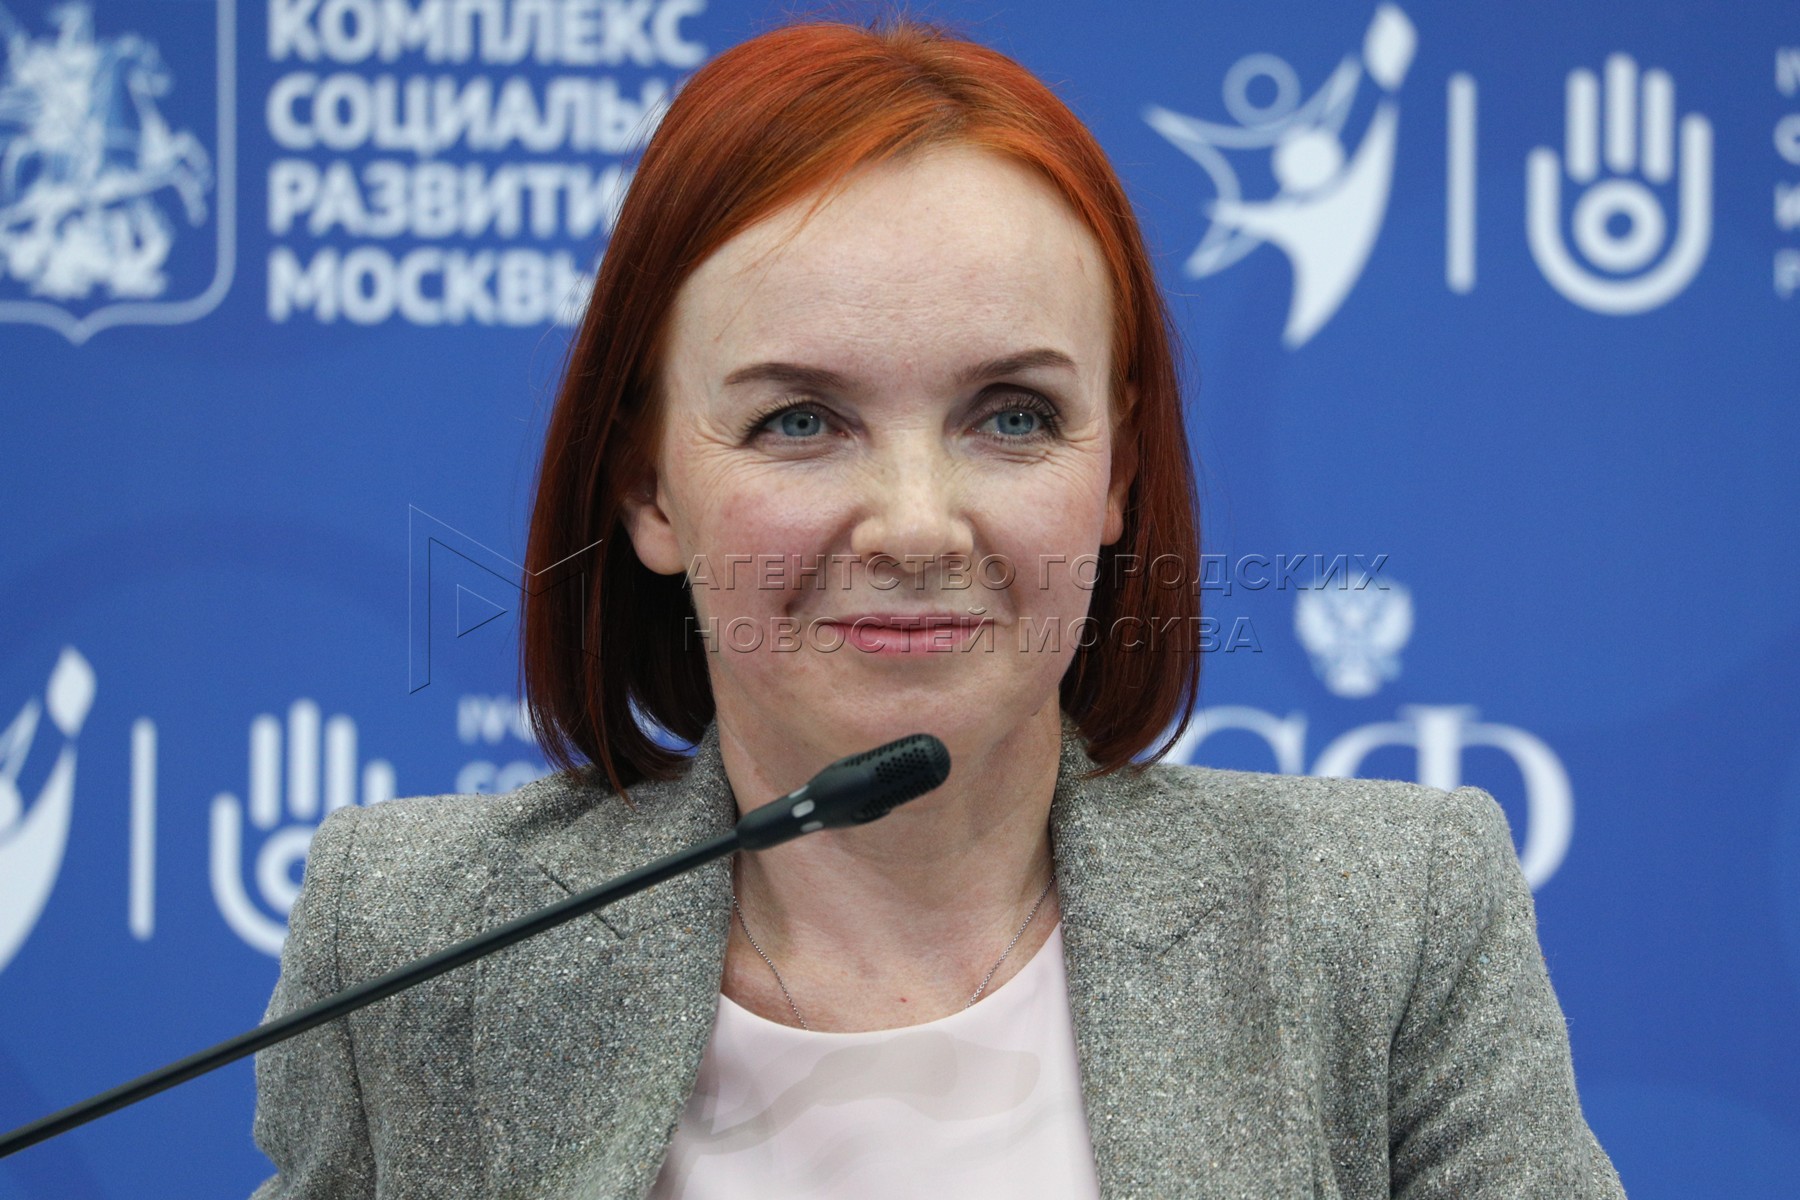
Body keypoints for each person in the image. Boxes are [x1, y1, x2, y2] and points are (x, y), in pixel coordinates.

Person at [251, 18, 1626, 1199]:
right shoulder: (415, 939)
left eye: (1012, 415)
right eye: (800, 419)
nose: (915, 527)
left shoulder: (1389, 921)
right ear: (649, 488)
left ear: (1116, 473)